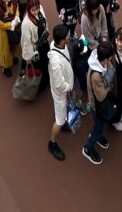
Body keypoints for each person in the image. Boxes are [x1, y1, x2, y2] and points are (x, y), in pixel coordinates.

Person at [81, 40, 117, 165]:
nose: (111, 60)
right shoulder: (96, 76)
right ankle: (88, 148)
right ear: (105, 59)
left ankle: (98, 135)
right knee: (98, 127)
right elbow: (101, 96)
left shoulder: (99, 62)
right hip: (97, 107)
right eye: (110, 58)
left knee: (99, 126)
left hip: (97, 105)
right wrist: (109, 84)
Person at [48, 23, 76, 161]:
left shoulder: (58, 44)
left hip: (64, 90)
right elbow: (59, 85)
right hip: (61, 94)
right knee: (59, 120)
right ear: (61, 41)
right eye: (67, 37)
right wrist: (69, 87)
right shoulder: (55, 63)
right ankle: (52, 143)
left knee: (63, 114)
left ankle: (64, 121)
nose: (69, 38)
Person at [0, 0, 21, 77]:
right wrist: (12, 24)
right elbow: (1, 24)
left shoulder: (14, 0)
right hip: (5, 31)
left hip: (13, 27)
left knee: (15, 43)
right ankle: (5, 66)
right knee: (5, 48)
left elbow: (17, 9)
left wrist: (17, 17)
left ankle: (14, 57)